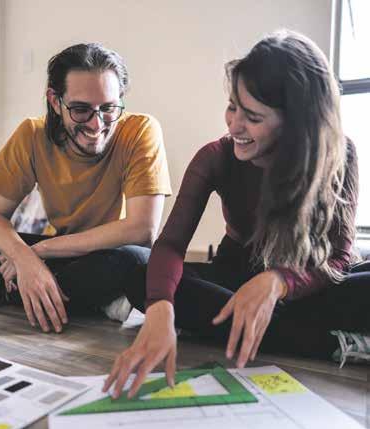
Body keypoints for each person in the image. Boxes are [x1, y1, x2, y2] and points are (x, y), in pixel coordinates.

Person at [104, 30, 370, 399]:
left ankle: (274, 331)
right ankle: (331, 343)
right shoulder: (215, 156)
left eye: (253, 117)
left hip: (308, 283)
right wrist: (160, 309)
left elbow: (338, 258)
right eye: (233, 107)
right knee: (140, 276)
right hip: (236, 279)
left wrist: (279, 282)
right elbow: (171, 244)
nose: (233, 125)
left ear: (297, 123)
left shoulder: (342, 154)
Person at [0, 43, 171, 333]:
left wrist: (39, 252)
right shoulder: (32, 135)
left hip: (112, 253)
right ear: (55, 101)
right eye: (80, 110)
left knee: (132, 262)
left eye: (108, 109)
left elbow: (142, 229)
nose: (97, 125)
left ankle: (5, 292)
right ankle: (93, 299)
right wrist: (24, 258)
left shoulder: (141, 130)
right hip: (65, 257)